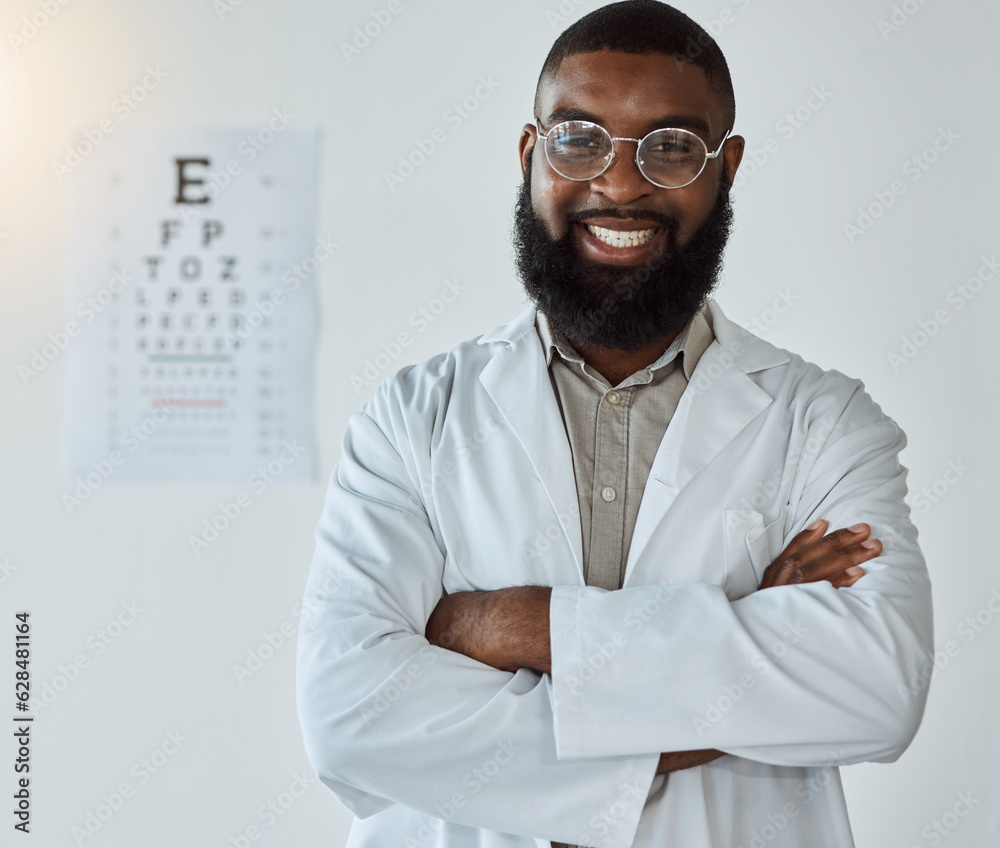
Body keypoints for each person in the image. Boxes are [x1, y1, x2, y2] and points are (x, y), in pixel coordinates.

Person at [295, 2, 934, 846]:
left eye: (671, 147)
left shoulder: (824, 421)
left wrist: (505, 625)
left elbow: (874, 691)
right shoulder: (414, 418)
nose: (622, 183)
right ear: (531, 154)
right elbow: (351, 715)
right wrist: (745, 644)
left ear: (726, 168)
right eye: (579, 139)